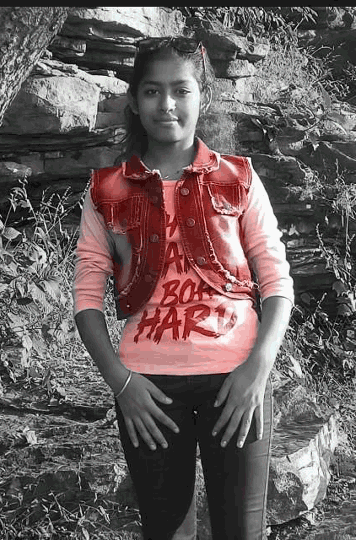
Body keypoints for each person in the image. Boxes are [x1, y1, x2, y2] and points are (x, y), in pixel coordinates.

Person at [72, 36, 294, 540]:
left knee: (241, 532)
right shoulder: (106, 190)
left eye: (181, 90)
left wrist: (259, 368)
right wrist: (121, 383)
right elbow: (86, 297)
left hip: (237, 382)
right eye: (152, 91)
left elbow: (276, 279)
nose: (166, 104)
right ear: (134, 100)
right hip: (147, 390)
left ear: (203, 96)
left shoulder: (239, 177)